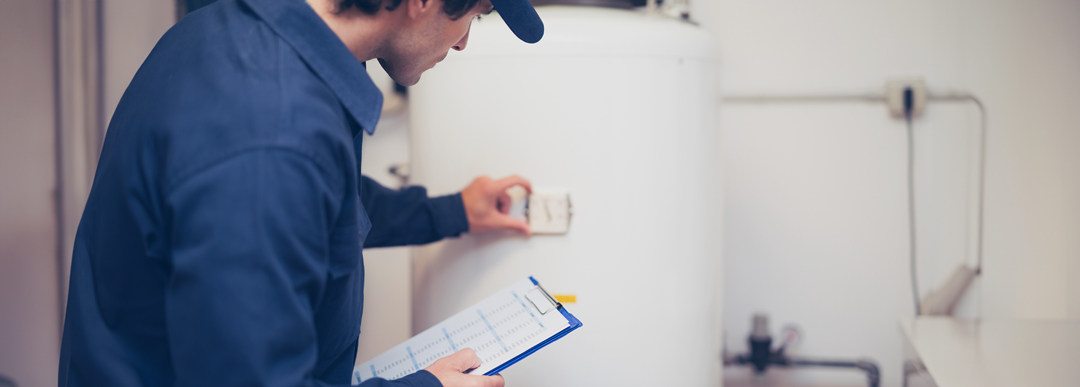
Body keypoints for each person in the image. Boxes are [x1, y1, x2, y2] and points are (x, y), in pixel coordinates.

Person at [57, 0, 545, 386]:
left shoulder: (237, 35)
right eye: (473, 17)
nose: (461, 44)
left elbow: (318, 207)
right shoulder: (271, 130)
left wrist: (450, 212)